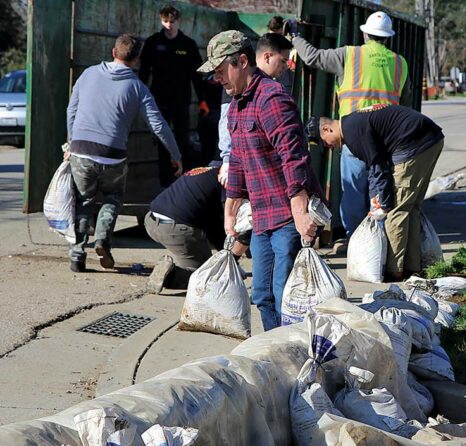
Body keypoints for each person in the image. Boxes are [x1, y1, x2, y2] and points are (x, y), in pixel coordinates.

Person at [198, 30, 323, 331]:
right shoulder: (237, 107)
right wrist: (230, 209)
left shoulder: (272, 99)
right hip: (261, 215)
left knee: (284, 295)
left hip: (286, 215)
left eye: (220, 71)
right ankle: (274, 353)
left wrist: (300, 212)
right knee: (263, 296)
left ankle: (295, 354)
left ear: (242, 61)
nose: (218, 79)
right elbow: (238, 160)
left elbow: (294, 157)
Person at [287, 11, 410, 244]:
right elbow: (405, 106)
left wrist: (294, 36)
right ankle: (379, 242)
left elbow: (312, 57)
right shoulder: (399, 64)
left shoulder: (350, 55)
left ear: (365, 33)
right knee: (380, 191)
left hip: (353, 138)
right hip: (386, 141)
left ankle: (356, 240)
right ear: (388, 37)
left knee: (353, 191)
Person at [66, 34, 181, 273]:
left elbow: (72, 110)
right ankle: (102, 240)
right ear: (137, 60)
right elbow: (158, 124)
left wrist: (71, 143)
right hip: (113, 154)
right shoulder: (137, 87)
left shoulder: (87, 74)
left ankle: (77, 255)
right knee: (112, 198)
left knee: (83, 202)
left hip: (82, 150)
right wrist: (175, 154)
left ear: (113, 51)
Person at [310, 104, 443, 282]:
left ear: (327, 128)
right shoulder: (352, 124)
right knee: (409, 209)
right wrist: (377, 198)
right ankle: (412, 268)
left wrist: (384, 202)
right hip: (429, 140)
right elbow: (376, 165)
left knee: (396, 213)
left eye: (324, 141)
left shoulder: (353, 134)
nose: (328, 146)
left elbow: (380, 167)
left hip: (415, 145)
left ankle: (394, 272)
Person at [145, 161, 250, 294]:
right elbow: (222, 226)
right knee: (209, 277)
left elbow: (213, 224)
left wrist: (229, 260)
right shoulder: (229, 181)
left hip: (151, 221)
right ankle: (170, 277)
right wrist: (229, 264)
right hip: (176, 230)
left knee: (210, 263)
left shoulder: (211, 170)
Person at [139, 4, 207, 186]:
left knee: (182, 139)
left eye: (172, 21)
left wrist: (203, 100)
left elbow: (196, 76)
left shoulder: (188, 45)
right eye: (165, 21)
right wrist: (138, 98)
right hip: (158, 100)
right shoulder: (153, 43)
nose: (169, 25)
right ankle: (165, 181)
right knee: (162, 140)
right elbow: (144, 73)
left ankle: (182, 178)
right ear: (161, 21)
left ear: (179, 21)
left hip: (181, 101)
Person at [216, 33, 295, 186]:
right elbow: (227, 124)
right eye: (283, 61)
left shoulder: (270, 90)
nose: (286, 67)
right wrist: (227, 161)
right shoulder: (236, 84)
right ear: (267, 57)